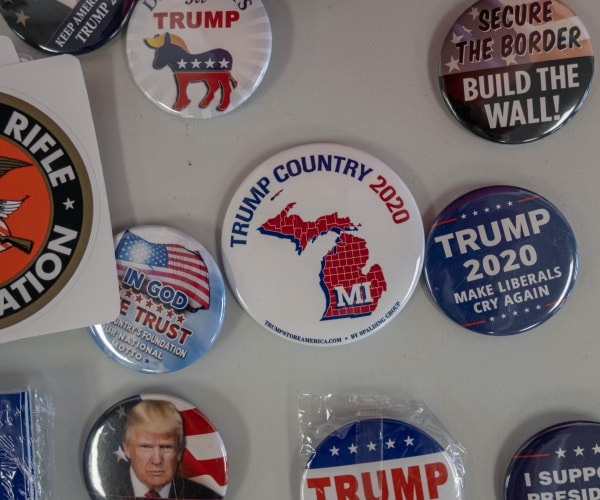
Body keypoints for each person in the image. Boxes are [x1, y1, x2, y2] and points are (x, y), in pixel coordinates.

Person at [115, 399, 222, 500]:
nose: (157, 460)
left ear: (179, 451)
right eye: (146, 447)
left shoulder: (206, 497)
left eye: (166, 447)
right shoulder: (109, 489)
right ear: (127, 448)